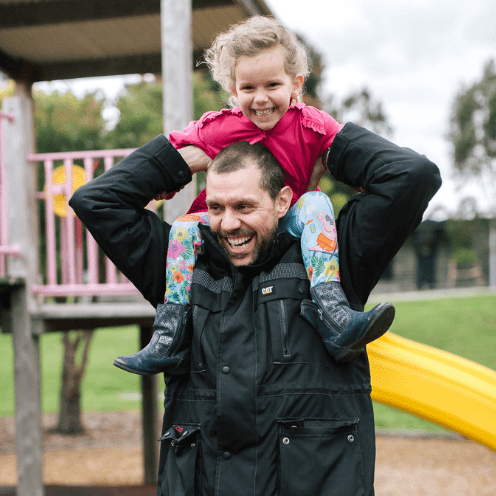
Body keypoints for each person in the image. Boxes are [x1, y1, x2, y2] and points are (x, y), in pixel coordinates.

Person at [70, 126, 441, 495]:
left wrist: (326, 141)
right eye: (216, 207)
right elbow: (96, 201)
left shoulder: (335, 258)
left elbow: (412, 176)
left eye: (244, 206)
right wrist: (180, 159)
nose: (229, 224)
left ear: (282, 201)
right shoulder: (179, 268)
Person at [113, 15, 395, 375]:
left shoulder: (312, 124)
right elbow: (169, 160)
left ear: (296, 84)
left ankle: (333, 311)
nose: (260, 99)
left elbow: (354, 161)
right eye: (248, 88)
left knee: (316, 201)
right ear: (233, 88)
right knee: (183, 227)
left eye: (272, 85)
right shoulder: (217, 128)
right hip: (227, 224)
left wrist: (340, 171)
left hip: (287, 219)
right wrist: (171, 179)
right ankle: (170, 334)